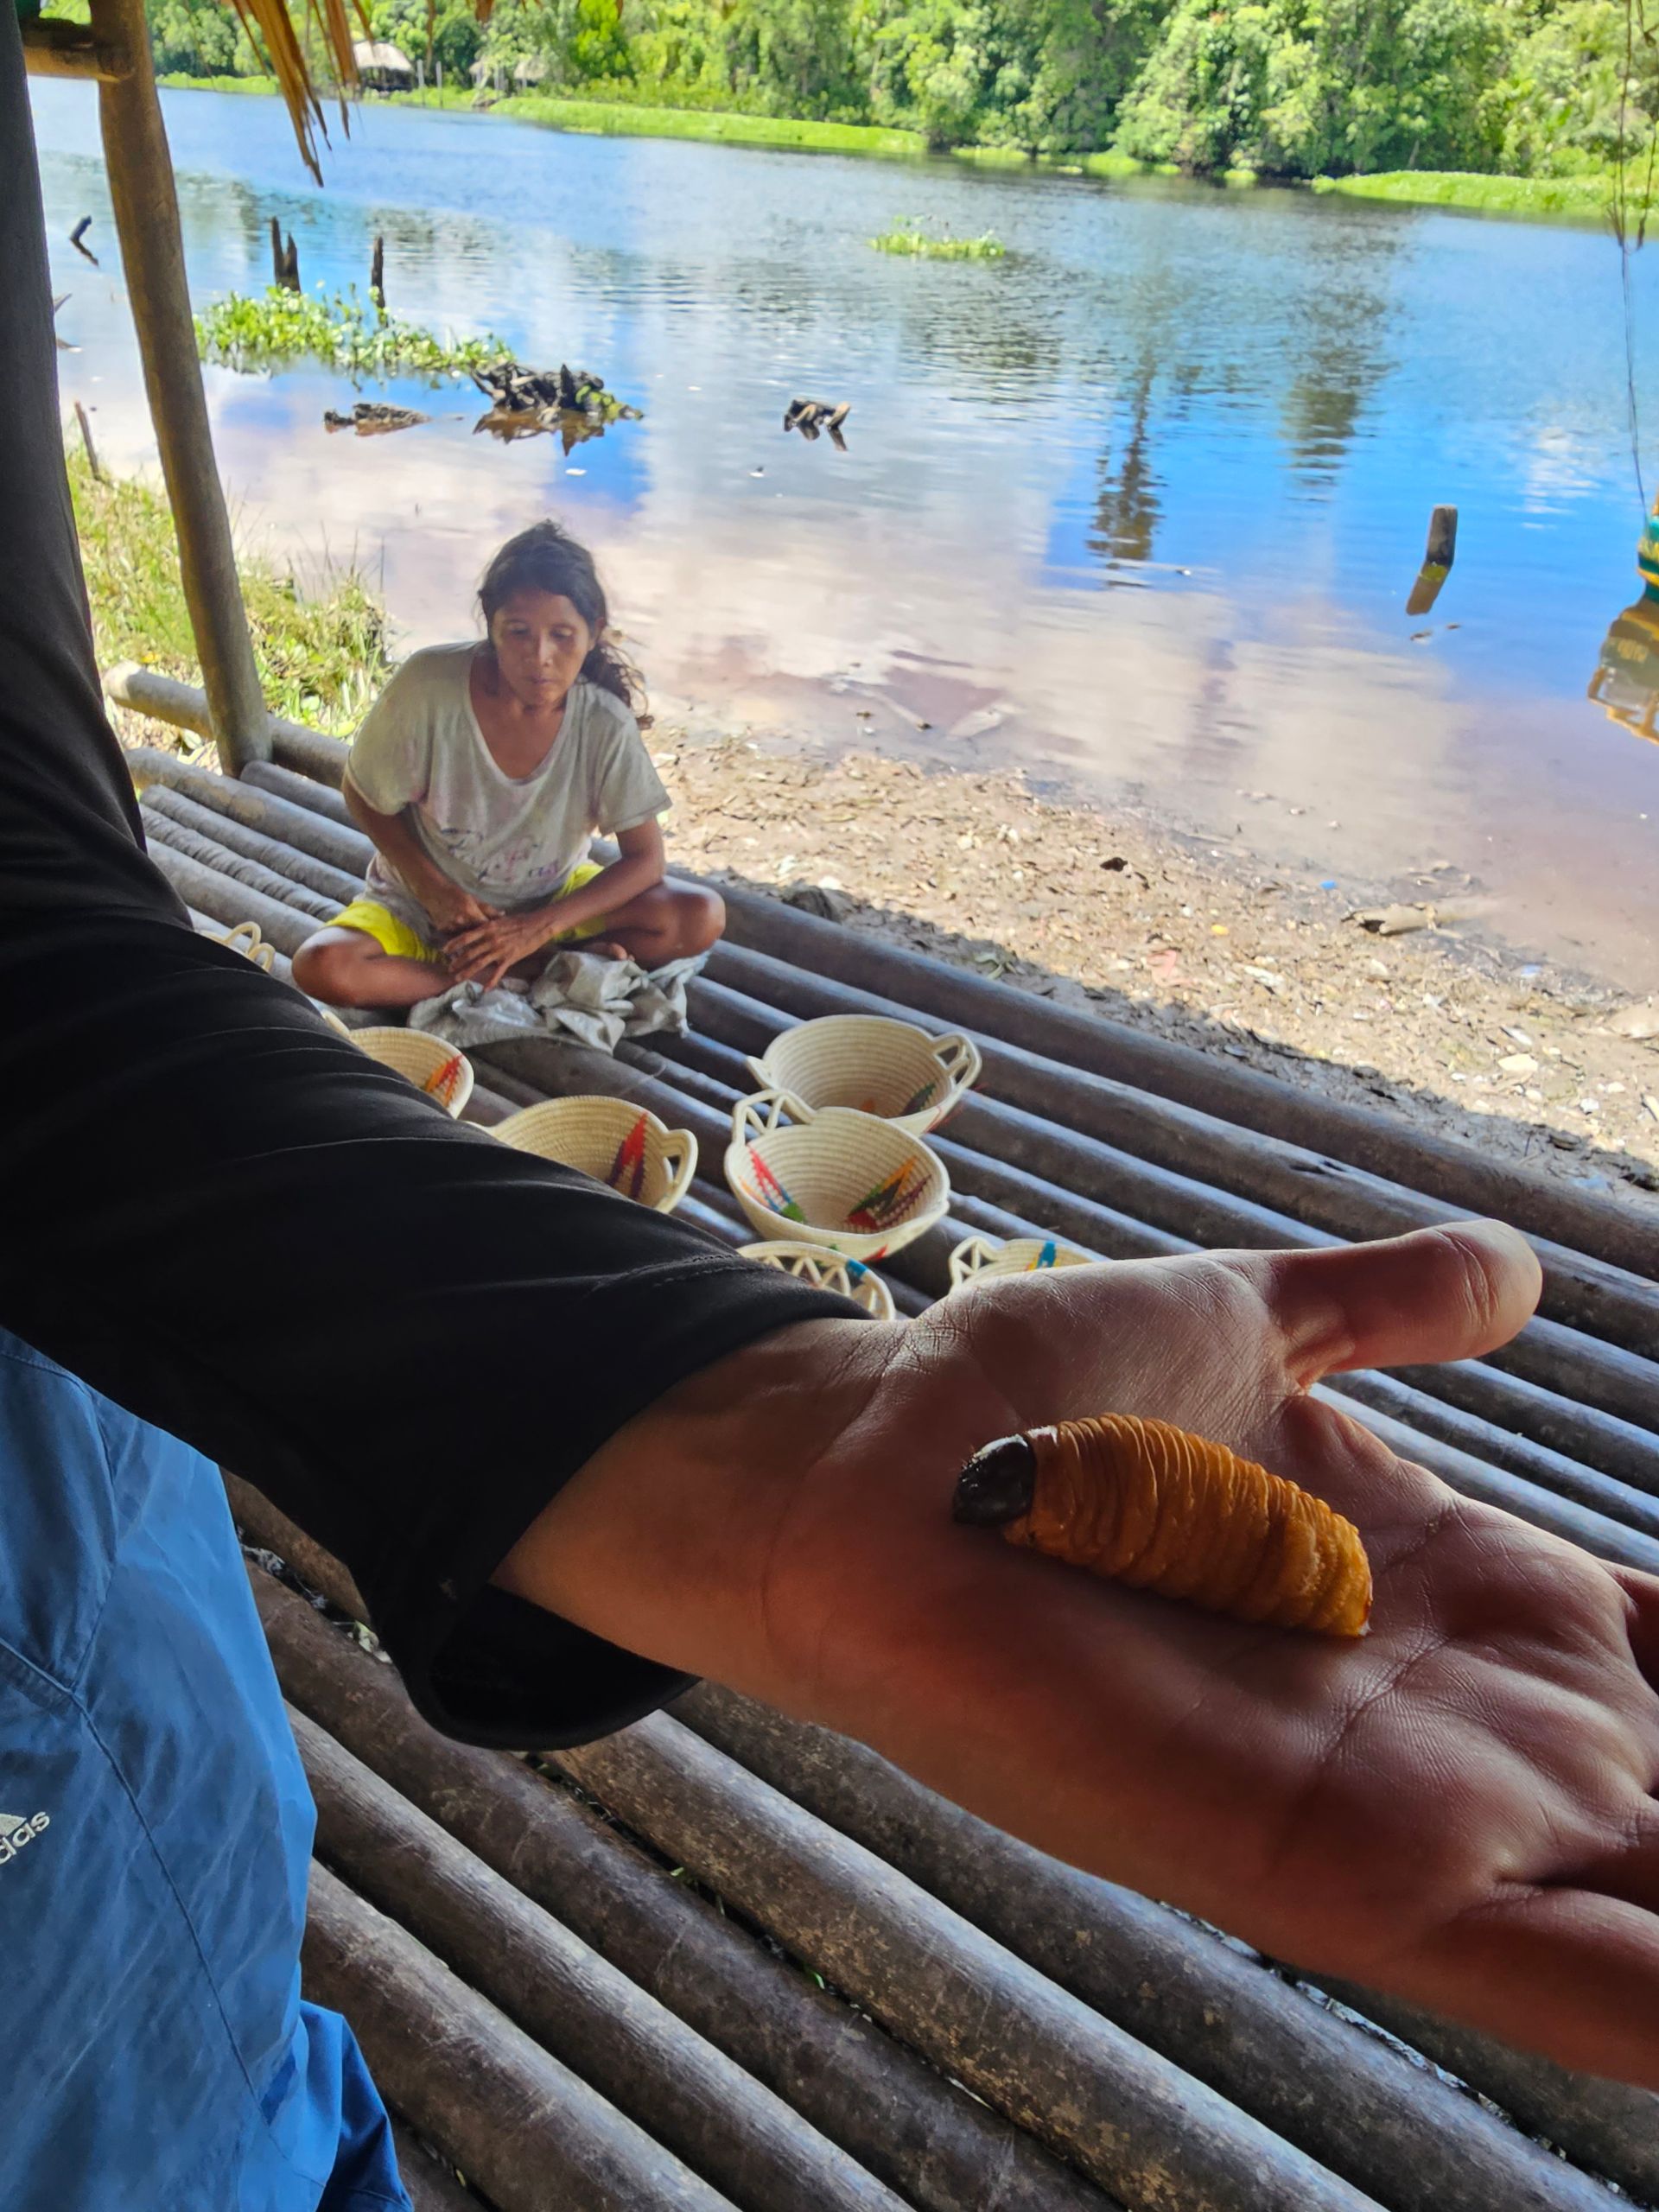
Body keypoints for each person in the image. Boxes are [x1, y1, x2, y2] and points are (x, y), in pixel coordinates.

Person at [2, 21, 1657, 2209]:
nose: (526, 652)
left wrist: (715, 1407)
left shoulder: (593, 732)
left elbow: (28, 931)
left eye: (554, 631)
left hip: (134, 1913)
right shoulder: (422, 705)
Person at [292, 522, 724, 1008]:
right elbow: (362, 792)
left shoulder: (603, 724)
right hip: (425, 908)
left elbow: (645, 859)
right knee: (324, 967)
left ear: (594, 631)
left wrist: (536, 928)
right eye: (518, 633)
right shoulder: (429, 687)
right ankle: (513, 973)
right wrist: (434, 891)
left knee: (699, 916)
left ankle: (520, 962)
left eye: (562, 636)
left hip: (548, 903)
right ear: (490, 623)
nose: (540, 658)